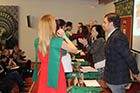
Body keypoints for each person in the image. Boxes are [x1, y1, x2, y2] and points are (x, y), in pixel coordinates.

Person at [33, 14, 78, 93]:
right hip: (56, 73)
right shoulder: (57, 41)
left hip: (44, 73)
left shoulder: (37, 41)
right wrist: (65, 36)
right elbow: (74, 50)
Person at [103, 13, 139, 93]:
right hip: (113, 76)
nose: (103, 25)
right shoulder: (113, 36)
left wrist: (135, 71)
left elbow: (128, 56)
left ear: (111, 23)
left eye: (105, 22)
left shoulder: (118, 37)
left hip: (117, 78)